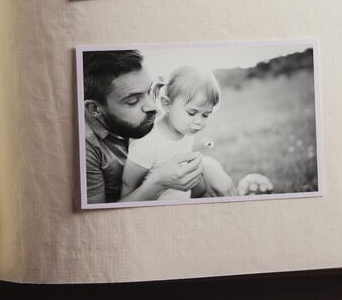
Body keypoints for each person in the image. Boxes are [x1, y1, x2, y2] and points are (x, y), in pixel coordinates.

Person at [83, 50, 205, 204]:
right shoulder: (85, 150)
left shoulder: (151, 113)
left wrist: (210, 168)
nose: (153, 107)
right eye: (133, 101)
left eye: (149, 91)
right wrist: (158, 182)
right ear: (95, 109)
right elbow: (96, 220)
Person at [121, 65, 237, 201]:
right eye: (191, 112)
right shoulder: (147, 142)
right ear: (166, 104)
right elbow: (128, 187)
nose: (199, 121)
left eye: (206, 115)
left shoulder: (185, 130)